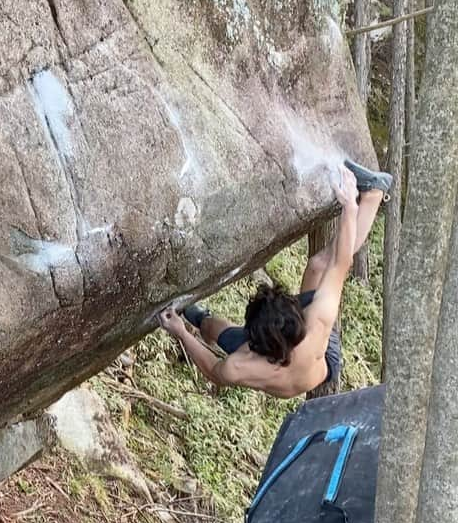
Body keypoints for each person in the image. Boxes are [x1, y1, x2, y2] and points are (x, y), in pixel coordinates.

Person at [158, 160, 392, 399]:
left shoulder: (240, 365)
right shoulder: (315, 323)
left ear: (253, 341)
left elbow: (214, 370)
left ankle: (374, 193)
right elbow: (341, 264)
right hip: (314, 360)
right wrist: (349, 208)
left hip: (311, 361)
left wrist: (182, 334)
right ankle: (372, 196)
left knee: (316, 267)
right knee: (318, 265)